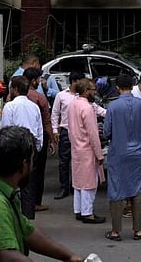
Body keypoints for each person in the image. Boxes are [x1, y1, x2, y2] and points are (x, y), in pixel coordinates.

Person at [0, 126, 84, 262]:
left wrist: (69, 256)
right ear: (24, 165)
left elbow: (27, 231)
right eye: (32, 161)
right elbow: (7, 256)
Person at [103, 75, 141, 241]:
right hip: (138, 153)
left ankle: (115, 231)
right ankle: (138, 230)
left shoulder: (113, 106)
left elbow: (107, 132)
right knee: (137, 188)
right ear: (133, 86)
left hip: (118, 152)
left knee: (116, 188)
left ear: (117, 87)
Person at [1, 76, 44, 219]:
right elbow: (39, 129)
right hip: (31, 145)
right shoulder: (34, 106)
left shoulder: (10, 106)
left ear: (15, 89)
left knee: (11, 182)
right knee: (29, 184)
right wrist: (37, 147)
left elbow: (6, 128)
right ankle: (28, 218)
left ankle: (13, 216)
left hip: (15, 144)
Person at [67, 78, 105, 224]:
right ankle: (87, 213)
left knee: (78, 182)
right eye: (93, 90)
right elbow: (93, 134)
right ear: (86, 91)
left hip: (76, 146)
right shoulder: (87, 108)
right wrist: (99, 154)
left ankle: (79, 210)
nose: (94, 92)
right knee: (89, 183)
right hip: (87, 148)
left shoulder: (73, 104)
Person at [21, 66, 55, 213]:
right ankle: (35, 202)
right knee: (37, 172)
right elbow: (46, 120)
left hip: (18, 139)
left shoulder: (13, 97)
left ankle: (22, 202)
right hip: (37, 139)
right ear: (34, 81)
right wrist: (52, 140)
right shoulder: (39, 98)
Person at [51, 71, 86, 200]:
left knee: (79, 160)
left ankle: (77, 186)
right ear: (75, 81)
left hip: (80, 131)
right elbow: (55, 113)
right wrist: (55, 131)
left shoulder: (83, 96)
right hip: (65, 130)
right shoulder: (61, 96)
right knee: (64, 161)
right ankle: (64, 187)